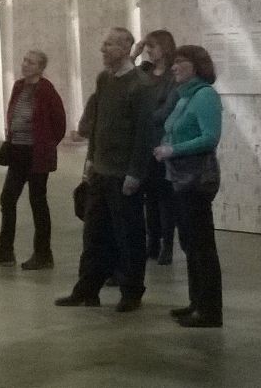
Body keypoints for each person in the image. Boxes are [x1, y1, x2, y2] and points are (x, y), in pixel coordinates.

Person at [55, 27, 157, 313]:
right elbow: (98, 122)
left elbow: (143, 134)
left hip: (123, 173)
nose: (103, 49)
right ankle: (87, 289)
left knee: (128, 235)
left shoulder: (140, 85)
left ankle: (131, 291)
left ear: (125, 48)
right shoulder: (104, 79)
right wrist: (90, 160)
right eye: (104, 44)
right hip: (100, 171)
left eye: (109, 45)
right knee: (94, 234)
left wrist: (135, 173)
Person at [153, 44, 224, 328]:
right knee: (190, 244)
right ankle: (197, 302)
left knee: (201, 246)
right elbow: (171, 127)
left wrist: (174, 150)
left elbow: (210, 137)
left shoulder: (205, 95)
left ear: (196, 66)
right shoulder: (185, 96)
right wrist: (166, 145)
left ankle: (210, 310)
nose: (174, 67)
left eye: (180, 61)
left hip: (197, 179)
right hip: (180, 178)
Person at [0, 50, 66, 270]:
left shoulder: (46, 90)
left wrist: (46, 144)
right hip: (17, 152)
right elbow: (13, 115)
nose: (26, 65)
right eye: (25, 60)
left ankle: (43, 254)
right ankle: (5, 249)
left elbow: (59, 123)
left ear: (41, 68)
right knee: (8, 199)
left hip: (36, 154)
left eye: (31, 62)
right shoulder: (19, 86)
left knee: (38, 202)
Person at [135, 29, 179, 266]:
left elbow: (168, 107)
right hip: (144, 141)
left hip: (162, 139)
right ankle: (152, 242)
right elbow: (124, 80)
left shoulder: (172, 76)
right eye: (147, 47)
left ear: (164, 47)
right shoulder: (144, 71)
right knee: (149, 196)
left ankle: (167, 244)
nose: (149, 51)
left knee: (165, 197)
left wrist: (145, 118)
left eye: (152, 46)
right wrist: (135, 53)